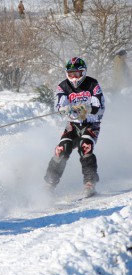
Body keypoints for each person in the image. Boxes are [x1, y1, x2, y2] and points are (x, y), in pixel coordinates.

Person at [44, 57, 105, 197]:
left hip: (91, 123)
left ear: (83, 72)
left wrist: (88, 108)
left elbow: (100, 107)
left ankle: (90, 182)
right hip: (73, 124)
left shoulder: (92, 84)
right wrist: (64, 109)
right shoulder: (63, 86)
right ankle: (49, 183)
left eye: (77, 74)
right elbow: (59, 105)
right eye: (71, 74)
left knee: (86, 146)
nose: (74, 77)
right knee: (61, 149)